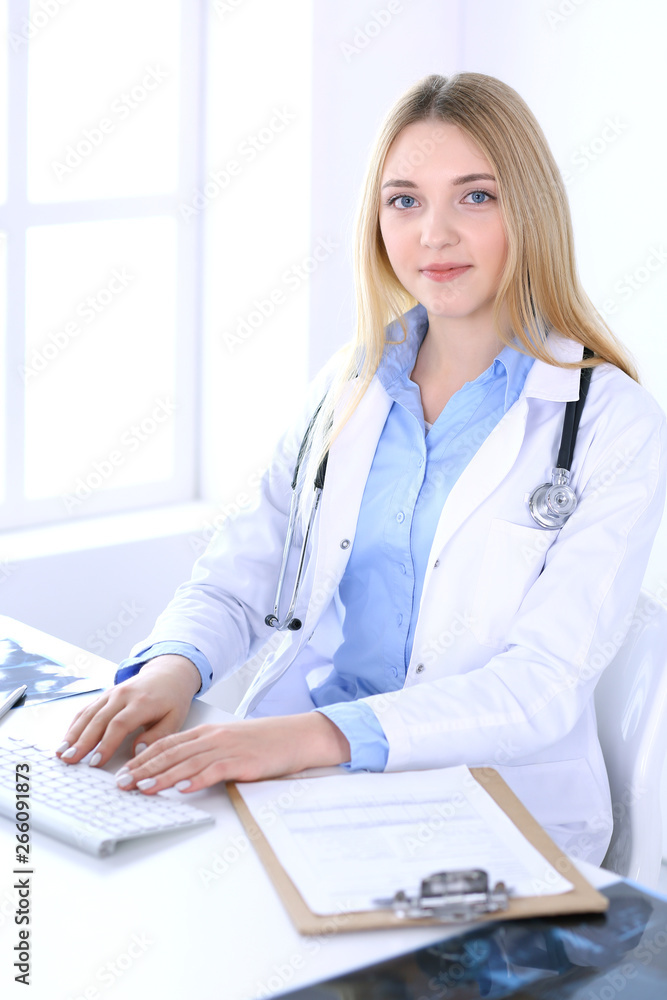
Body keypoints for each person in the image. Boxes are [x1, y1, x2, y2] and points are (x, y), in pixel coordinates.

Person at [58, 72, 666, 864]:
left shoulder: (609, 422)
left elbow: (542, 684)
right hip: (312, 784)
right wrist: (172, 668)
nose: (432, 235)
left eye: (474, 197)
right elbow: (240, 572)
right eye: (404, 200)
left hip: (493, 814)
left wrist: (311, 738)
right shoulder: (349, 384)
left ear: (530, 210)